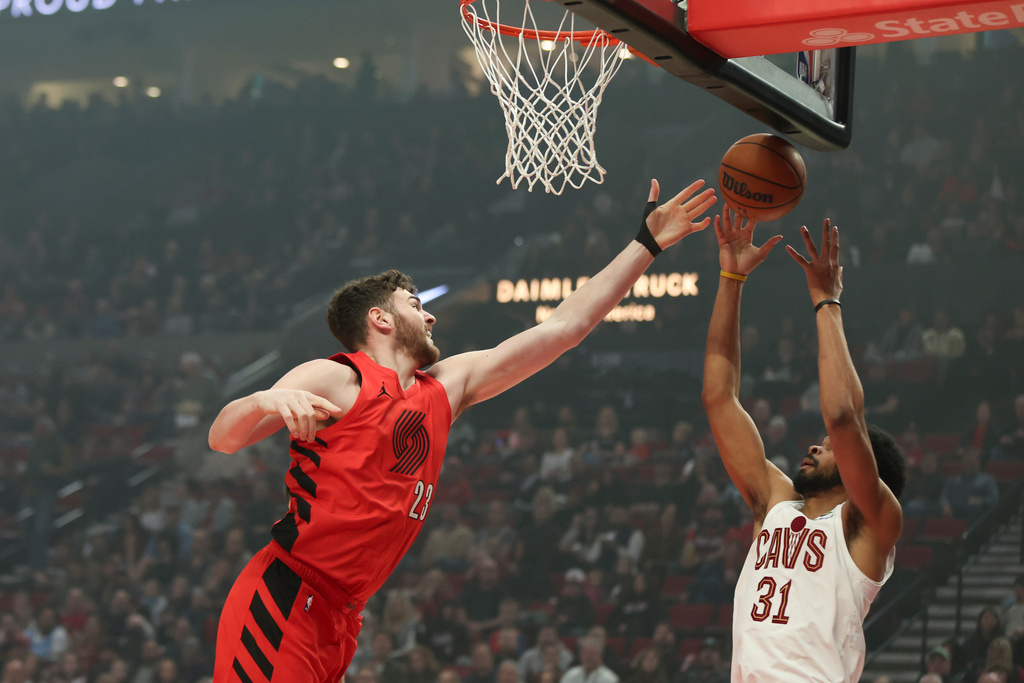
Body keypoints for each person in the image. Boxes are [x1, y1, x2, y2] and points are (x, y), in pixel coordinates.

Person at [206, 179, 717, 683]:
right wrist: (262, 400)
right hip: (286, 597)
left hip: (342, 615)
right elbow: (223, 439)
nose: (430, 316)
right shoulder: (339, 378)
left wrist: (646, 245)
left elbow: (564, 329)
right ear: (380, 318)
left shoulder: (446, 387)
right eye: (415, 304)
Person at [701, 210, 907, 683]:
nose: (816, 448)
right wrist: (731, 276)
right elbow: (718, 396)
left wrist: (825, 301)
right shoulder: (775, 502)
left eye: (829, 448)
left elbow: (841, 416)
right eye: (819, 444)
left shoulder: (871, 525)